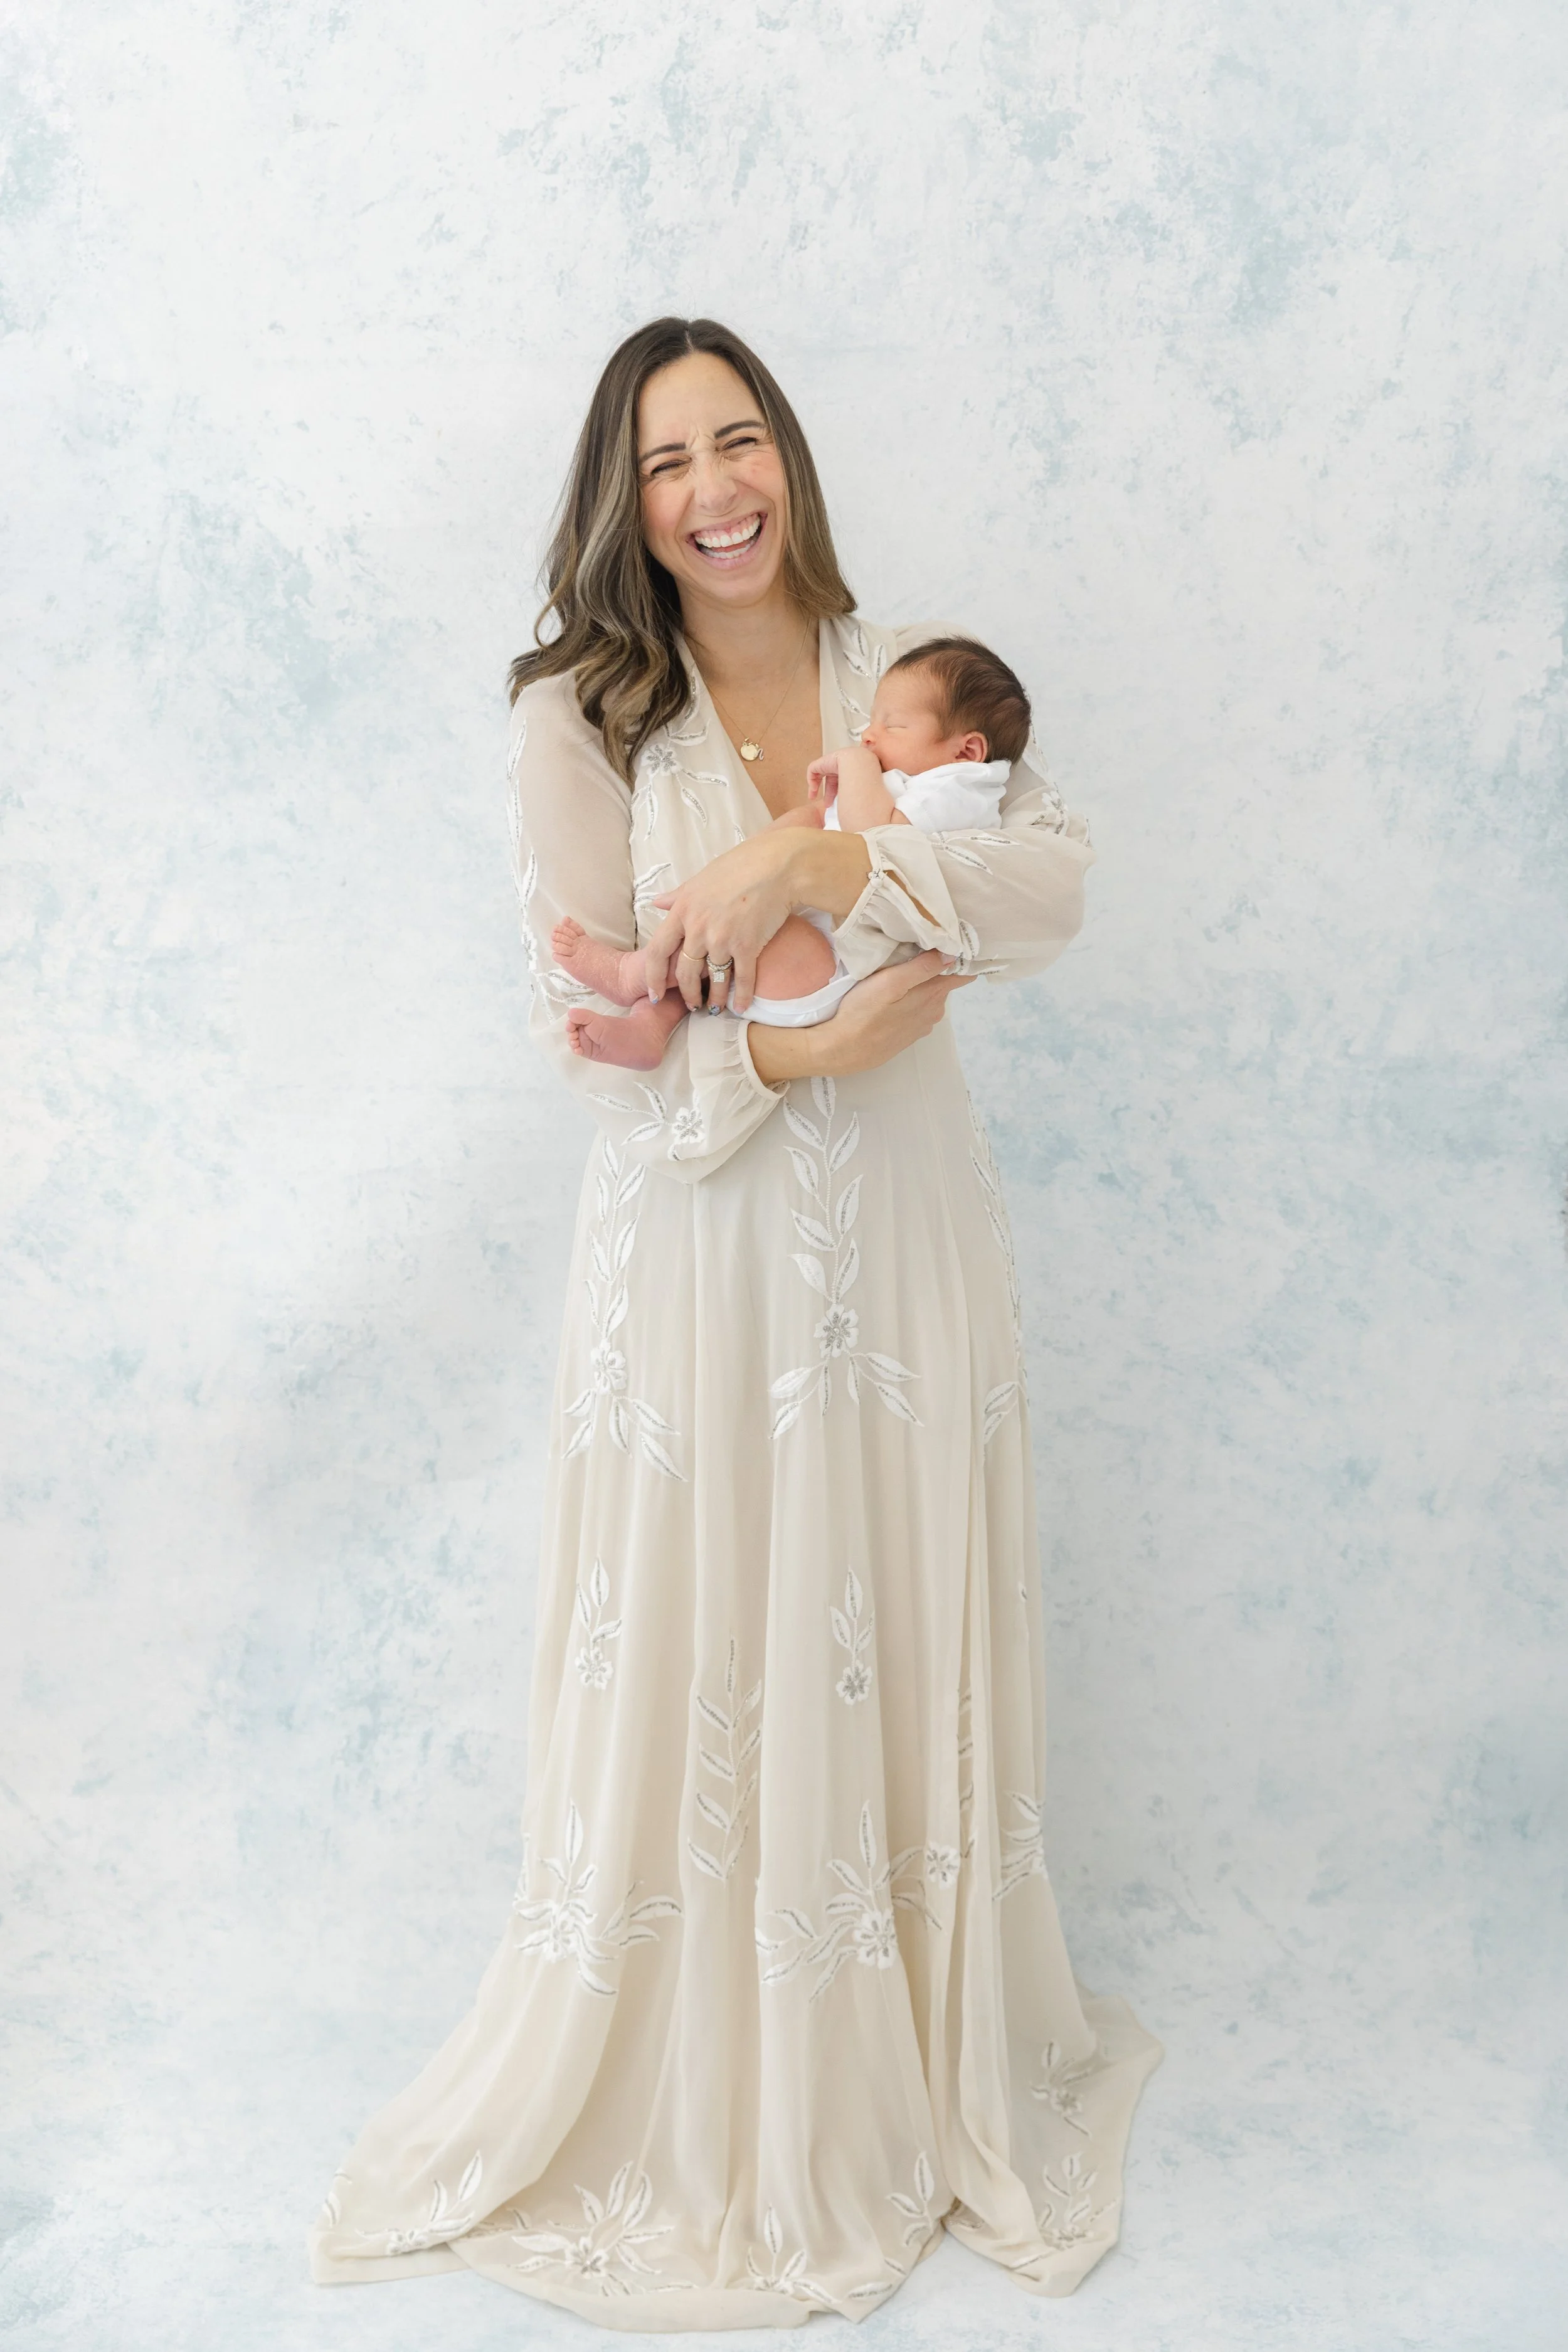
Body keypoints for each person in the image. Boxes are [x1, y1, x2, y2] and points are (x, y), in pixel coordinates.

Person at [307, 315, 1161, 2328]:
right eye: (671, 455)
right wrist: (802, 1056)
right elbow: (593, 1042)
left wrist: (812, 844)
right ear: (628, 496)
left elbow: (1048, 883)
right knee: (721, 1637)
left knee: (883, 1601)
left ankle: (913, 2053)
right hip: (698, 1256)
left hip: (910, 1249)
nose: (715, 485)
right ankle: (722, 2087)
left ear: (788, 455)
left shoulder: (903, 682)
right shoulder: (582, 714)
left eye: (742, 436)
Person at [551, 635, 1026, 1067]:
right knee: (755, 895)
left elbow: (876, 849)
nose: (869, 735)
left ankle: (629, 972)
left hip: (830, 970)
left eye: (894, 725)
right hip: (810, 953)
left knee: (753, 934)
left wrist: (856, 767)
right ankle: (648, 1028)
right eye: (872, 722)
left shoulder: (962, 789)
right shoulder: (923, 782)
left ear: (967, 751)